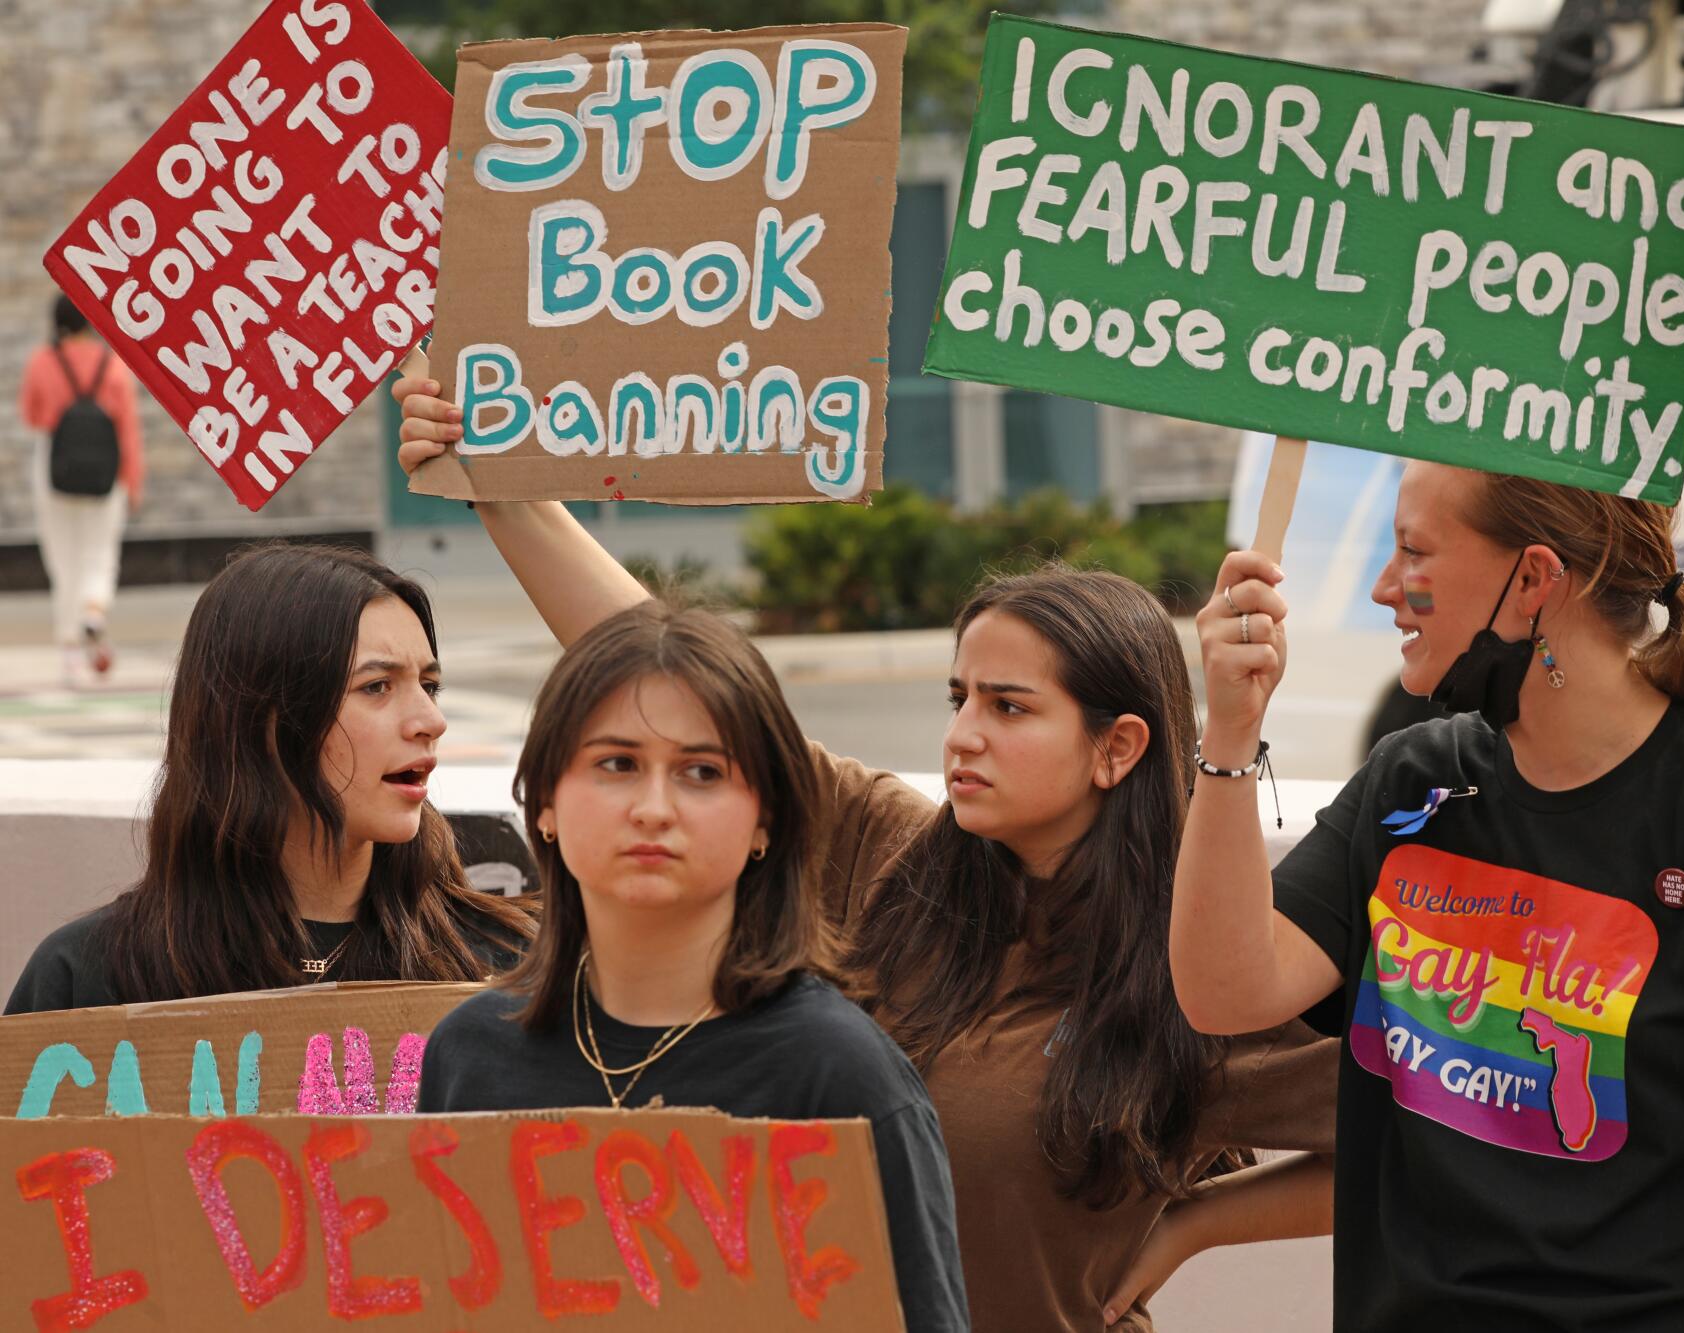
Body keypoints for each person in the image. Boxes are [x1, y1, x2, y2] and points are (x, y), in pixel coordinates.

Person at [395, 371, 1338, 1330]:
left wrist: (1196, 1224)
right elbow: (672, 678)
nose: (965, 733)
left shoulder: (1197, 968)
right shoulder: (901, 856)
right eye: (957, 698)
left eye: (1009, 706)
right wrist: (501, 487)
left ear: (1117, 746)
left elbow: (1422, 1132)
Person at [1169, 461, 1684, 1330]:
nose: (1385, 587)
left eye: (1412, 552)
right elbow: (1225, 990)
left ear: (1535, 580)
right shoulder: (1414, 779)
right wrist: (1231, 729)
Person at [416, 601, 970, 1331]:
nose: (654, 807)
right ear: (544, 801)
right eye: (617, 764)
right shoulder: (466, 1055)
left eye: (701, 771)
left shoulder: (841, 1076)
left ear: (765, 818)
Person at [6, 545, 535, 1012]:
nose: (430, 721)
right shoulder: (88, 980)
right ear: (260, 720)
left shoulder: (505, 966)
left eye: (429, 685)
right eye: (377, 686)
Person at [16, 294, 145, 684]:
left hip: (54, 466)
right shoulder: (113, 365)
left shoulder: (42, 361)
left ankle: (70, 649)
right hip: (106, 470)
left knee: (62, 555)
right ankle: (94, 610)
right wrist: (133, 480)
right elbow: (128, 431)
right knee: (100, 549)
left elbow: (31, 415)